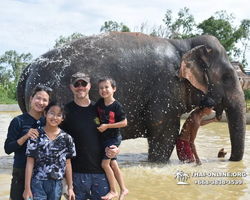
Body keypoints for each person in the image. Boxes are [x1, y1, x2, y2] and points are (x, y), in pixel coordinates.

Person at [60, 71, 120, 200]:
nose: (80, 87)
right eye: (77, 84)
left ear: (89, 86)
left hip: (100, 172)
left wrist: (116, 148)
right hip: (76, 174)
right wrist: (65, 181)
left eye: (83, 83)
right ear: (71, 87)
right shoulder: (64, 112)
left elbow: (113, 133)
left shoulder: (100, 109)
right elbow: (57, 142)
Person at [4, 84, 52, 200]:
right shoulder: (18, 121)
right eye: (38, 98)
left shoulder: (48, 122)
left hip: (41, 173)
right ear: (31, 98)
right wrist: (25, 137)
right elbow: (8, 149)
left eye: (45, 100)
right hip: (21, 170)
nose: (41, 102)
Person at [23, 100, 76, 200]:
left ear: (63, 118)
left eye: (59, 115)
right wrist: (27, 188)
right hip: (37, 182)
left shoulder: (66, 138)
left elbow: (68, 164)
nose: (54, 117)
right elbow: (30, 163)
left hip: (57, 183)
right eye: (52, 113)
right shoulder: (36, 135)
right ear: (45, 114)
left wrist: (70, 188)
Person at [96, 76, 129, 200]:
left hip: (113, 139)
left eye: (106, 87)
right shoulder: (100, 102)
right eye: (101, 88)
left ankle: (113, 191)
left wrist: (107, 126)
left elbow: (124, 122)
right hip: (105, 138)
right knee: (113, 164)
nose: (104, 90)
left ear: (114, 89)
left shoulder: (117, 106)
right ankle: (124, 189)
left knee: (105, 164)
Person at [176, 97, 222, 165]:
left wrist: (213, 120)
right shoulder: (196, 121)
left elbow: (199, 123)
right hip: (184, 145)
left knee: (186, 165)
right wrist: (197, 159)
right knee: (190, 166)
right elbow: (192, 142)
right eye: (211, 109)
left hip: (181, 143)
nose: (212, 111)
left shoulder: (197, 112)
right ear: (206, 109)